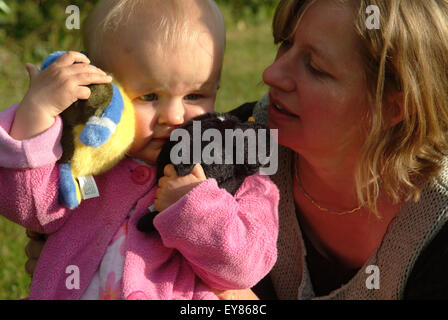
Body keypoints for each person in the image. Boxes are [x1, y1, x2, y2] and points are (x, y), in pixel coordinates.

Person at [24, 0, 448, 300]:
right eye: (286, 44)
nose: (271, 73)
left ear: (394, 106)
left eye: (316, 67)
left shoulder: (436, 229)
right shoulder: (230, 145)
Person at [0, 0, 279, 300]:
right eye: (148, 96)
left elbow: (247, 267)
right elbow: (31, 210)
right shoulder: (89, 159)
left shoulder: (234, 168)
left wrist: (196, 207)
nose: (173, 117)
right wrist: (35, 116)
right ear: (106, 91)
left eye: (195, 95)